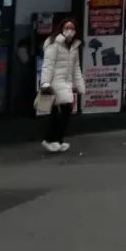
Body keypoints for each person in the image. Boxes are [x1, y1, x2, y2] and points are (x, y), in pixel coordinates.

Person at [39, 18, 86, 154]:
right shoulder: (54, 44)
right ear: (61, 28)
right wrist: (45, 83)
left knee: (62, 112)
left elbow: (76, 68)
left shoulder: (74, 47)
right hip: (54, 83)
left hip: (65, 83)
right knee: (62, 111)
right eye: (67, 28)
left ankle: (56, 140)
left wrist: (80, 85)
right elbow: (48, 65)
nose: (69, 31)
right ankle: (51, 140)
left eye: (72, 28)